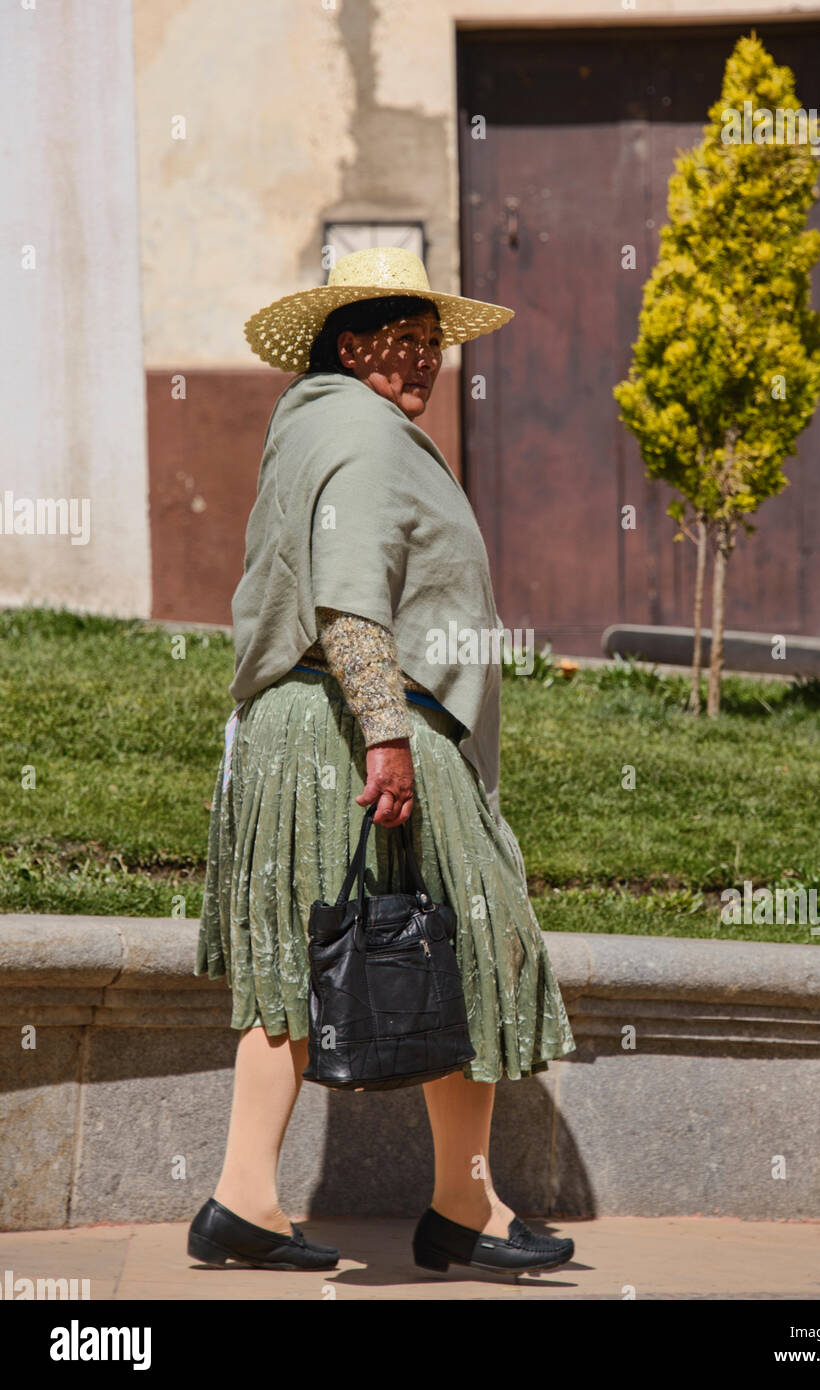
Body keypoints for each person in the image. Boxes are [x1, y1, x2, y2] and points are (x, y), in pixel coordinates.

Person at [188, 247, 577, 1277]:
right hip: (355, 723)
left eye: (430, 343)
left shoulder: (313, 422)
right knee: (479, 936)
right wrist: (389, 734)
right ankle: (459, 1204)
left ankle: (247, 1197)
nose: (420, 361)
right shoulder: (362, 434)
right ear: (349, 344)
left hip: (303, 726)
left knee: (301, 956)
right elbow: (351, 598)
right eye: (397, 341)